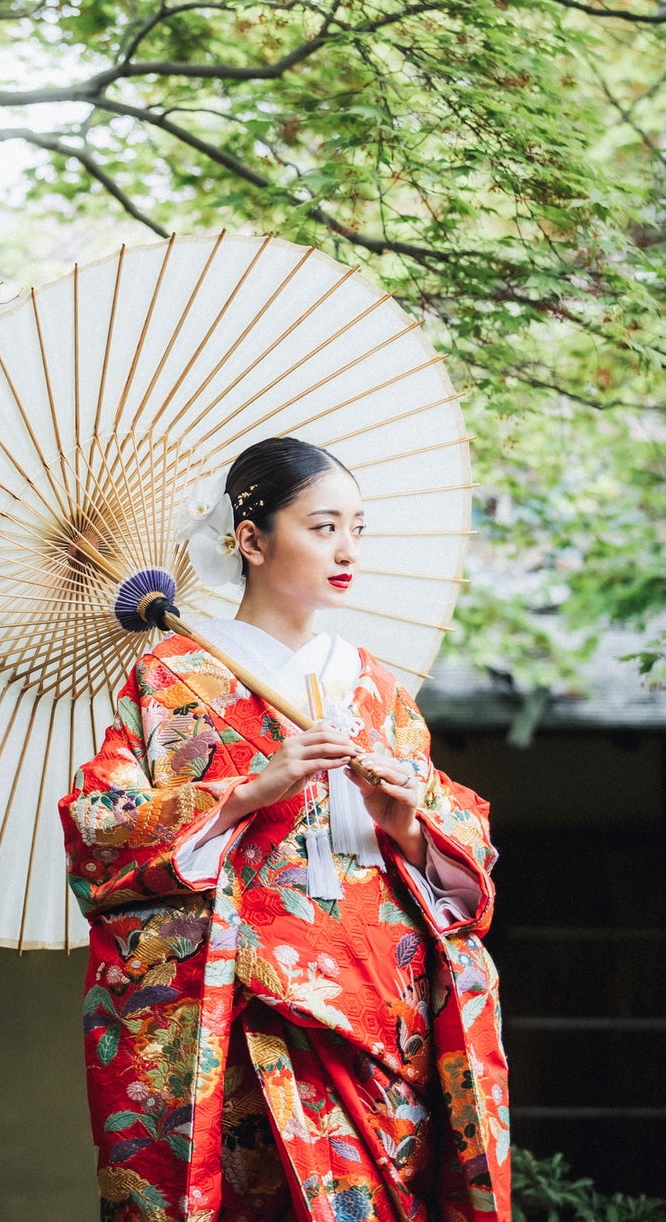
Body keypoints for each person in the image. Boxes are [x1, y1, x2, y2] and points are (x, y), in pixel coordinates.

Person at [60, 437, 508, 1222]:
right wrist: (244, 792)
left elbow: (461, 846)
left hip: (386, 998)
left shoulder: (377, 688)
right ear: (252, 539)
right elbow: (100, 829)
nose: (347, 550)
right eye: (323, 526)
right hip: (245, 1002)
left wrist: (406, 824)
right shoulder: (173, 677)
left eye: (357, 529)